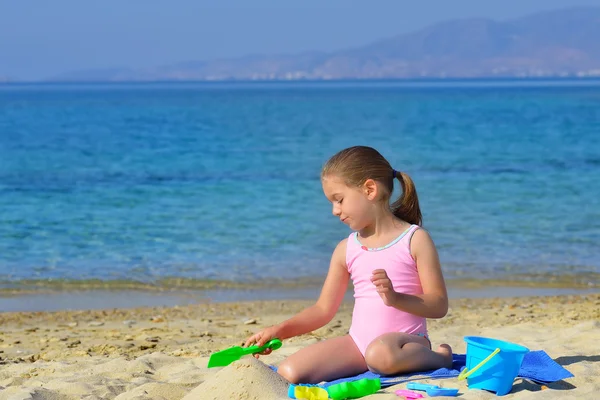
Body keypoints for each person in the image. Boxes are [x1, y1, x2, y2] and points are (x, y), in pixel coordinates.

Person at [244, 145, 452, 384]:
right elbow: (323, 310)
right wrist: (278, 331)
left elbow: (439, 305)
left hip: (405, 344)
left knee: (380, 355)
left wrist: (396, 299)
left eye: (339, 200)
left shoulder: (414, 239)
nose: (334, 211)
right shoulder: (346, 248)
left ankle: (440, 358)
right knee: (289, 372)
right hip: (358, 344)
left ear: (370, 189)